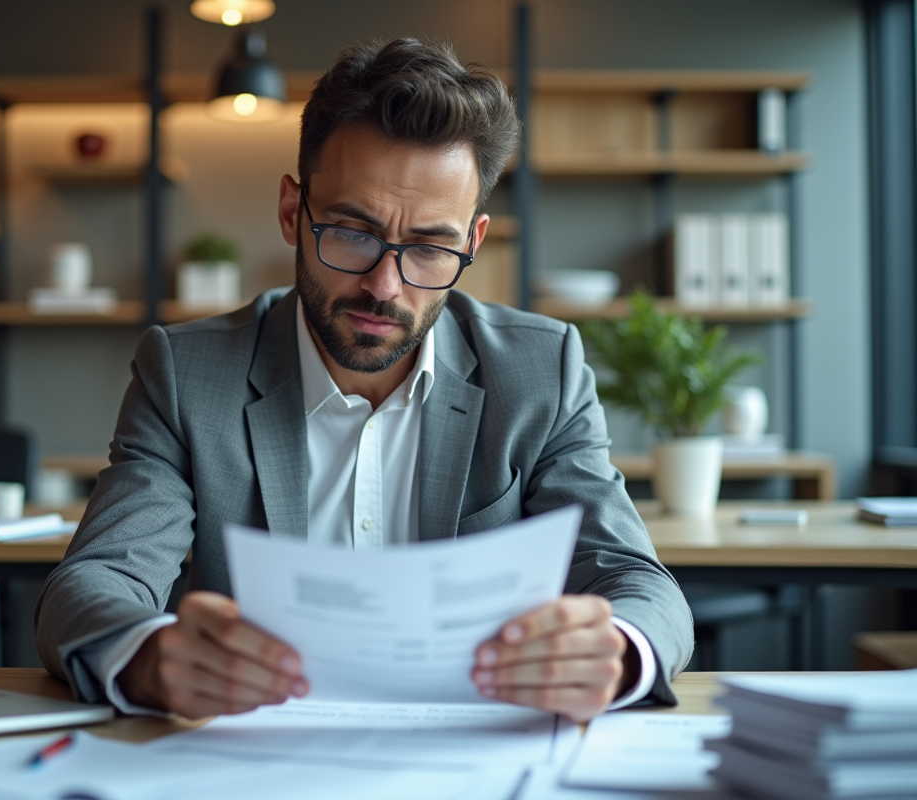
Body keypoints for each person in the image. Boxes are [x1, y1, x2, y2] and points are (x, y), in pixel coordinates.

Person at [35, 37, 693, 724]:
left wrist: (617, 652)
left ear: (472, 242)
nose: (385, 286)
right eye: (352, 232)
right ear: (292, 212)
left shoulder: (540, 369)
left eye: (430, 247)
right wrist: (150, 657)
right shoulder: (187, 374)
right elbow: (94, 580)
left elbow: (637, 582)